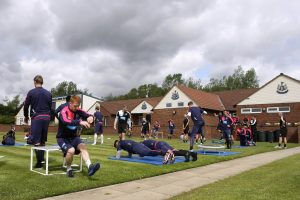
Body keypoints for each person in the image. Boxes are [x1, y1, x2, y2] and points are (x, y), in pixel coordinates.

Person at [57, 95, 100, 178]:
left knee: (83, 146)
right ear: (70, 103)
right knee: (71, 150)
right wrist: (79, 122)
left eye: (78, 106)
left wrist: (90, 118)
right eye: (75, 106)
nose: (77, 108)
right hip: (62, 138)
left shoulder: (78, 110)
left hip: (74, 137)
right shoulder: (63, 111)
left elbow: (88, 114)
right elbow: (66, 121)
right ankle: (69, 169)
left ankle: (90, 167)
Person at [24, 75, 52, 168]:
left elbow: (26, 105)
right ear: (42, 82)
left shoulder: (31, 92)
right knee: (43, 140)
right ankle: (42, 160)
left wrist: (26, 116)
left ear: (35, 82)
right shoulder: (48, 93)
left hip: (37, 117)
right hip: (46, 117)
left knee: (36, 141)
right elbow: (50, 107)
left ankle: (39, 162)